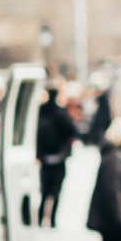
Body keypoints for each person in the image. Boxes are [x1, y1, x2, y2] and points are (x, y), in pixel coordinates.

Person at [36, 83, 77, 227]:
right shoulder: (57, 113)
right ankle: (49, 219)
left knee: (47, 192)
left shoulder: (44, 112)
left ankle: (46, 219)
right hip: (53, 159)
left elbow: (71, 132)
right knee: (52, 192)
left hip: (53, 158)